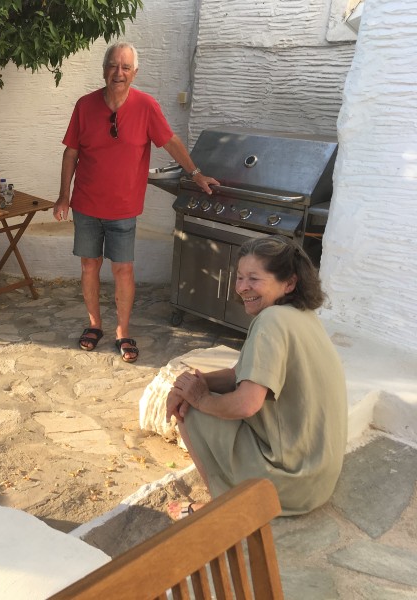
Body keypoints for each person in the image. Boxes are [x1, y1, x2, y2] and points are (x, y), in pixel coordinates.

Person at [54, 41, 219, 363]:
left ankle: (122, 332)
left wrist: (196, 174)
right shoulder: (85, 105)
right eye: (113, 66)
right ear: (104, 70)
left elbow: (170, 141)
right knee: (89, 265)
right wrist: (63, 196)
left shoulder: (146, 106)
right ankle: (94, 325)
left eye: (125, 67)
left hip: (123, 207)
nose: (119, 72)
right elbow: (71, 152)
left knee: (123, 269)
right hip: (86, 204)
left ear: (134, 72)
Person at [165, 235, 347, 516]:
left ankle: (221, 511)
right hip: (317, 480)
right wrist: (189, 384)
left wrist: (198, 398)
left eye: (254, 279)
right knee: (193, 397)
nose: (242, 287)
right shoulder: (301, 315)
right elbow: (239, 375)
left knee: (193, 412)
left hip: (289, 485)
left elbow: (246, 404)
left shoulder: (270, 321)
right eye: (239, 277)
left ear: (289, 283)